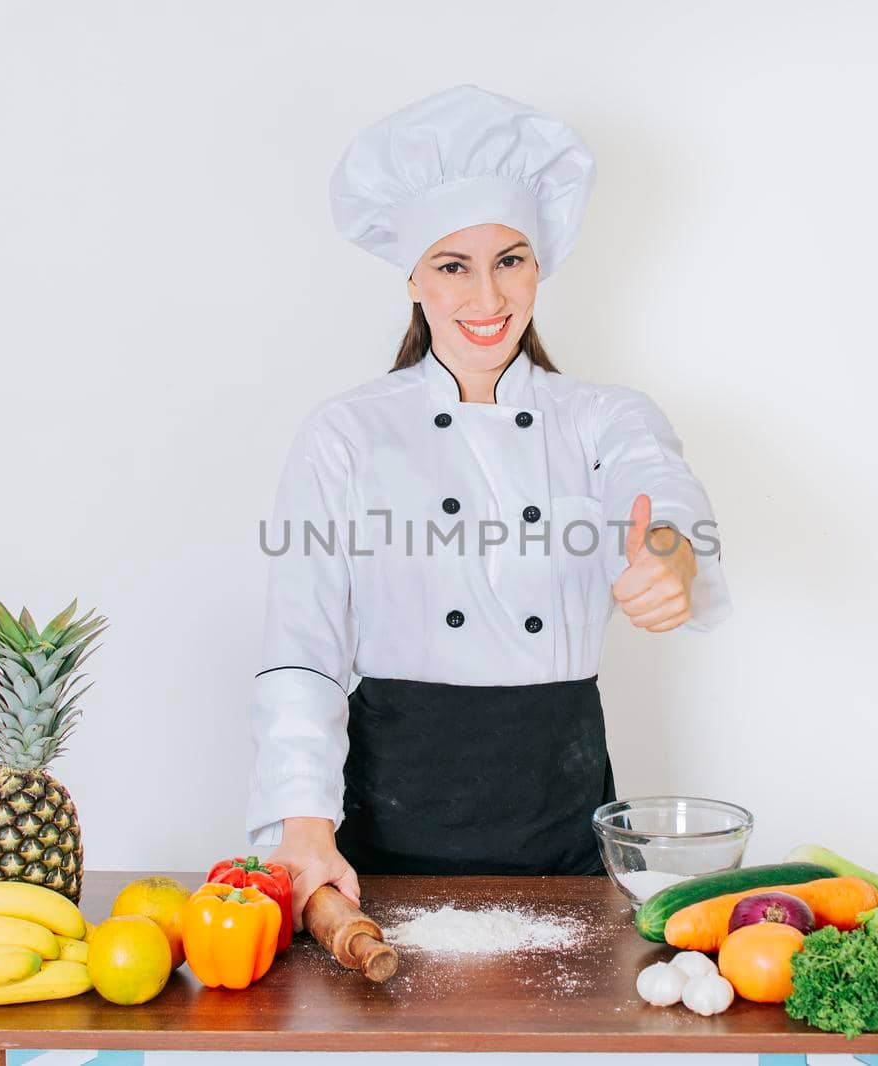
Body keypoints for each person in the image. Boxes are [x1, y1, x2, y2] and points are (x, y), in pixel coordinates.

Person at [244, 84, 733, 930]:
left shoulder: (600, 415)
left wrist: (667, 555)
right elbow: (304, 650)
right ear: (412, 279)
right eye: (453, 266)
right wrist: (304, 827)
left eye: (510, 260)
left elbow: (657, 489)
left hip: (562, 807)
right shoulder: (348, 433)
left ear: (540, 266)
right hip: (391, 816)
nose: (487, 298)